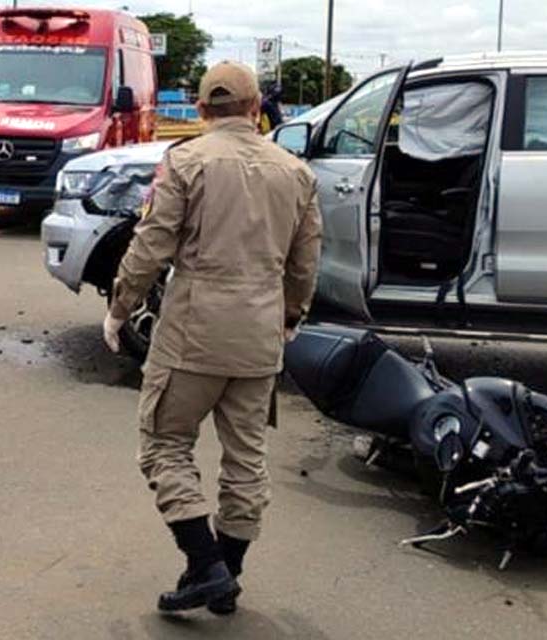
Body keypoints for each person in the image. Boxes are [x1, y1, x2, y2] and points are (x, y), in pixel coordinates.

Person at [102, 61, 322, 614]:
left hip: (191, 334)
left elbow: (151, 244)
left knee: (164, 444)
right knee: (245, 460)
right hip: (260, 337)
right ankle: (227, 573)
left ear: (201, 111)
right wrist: (291, 315)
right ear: (256, 109)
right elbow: (305, 262)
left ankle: (205, 566)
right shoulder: (296, 173)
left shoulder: (185, 161)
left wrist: (120, 307)